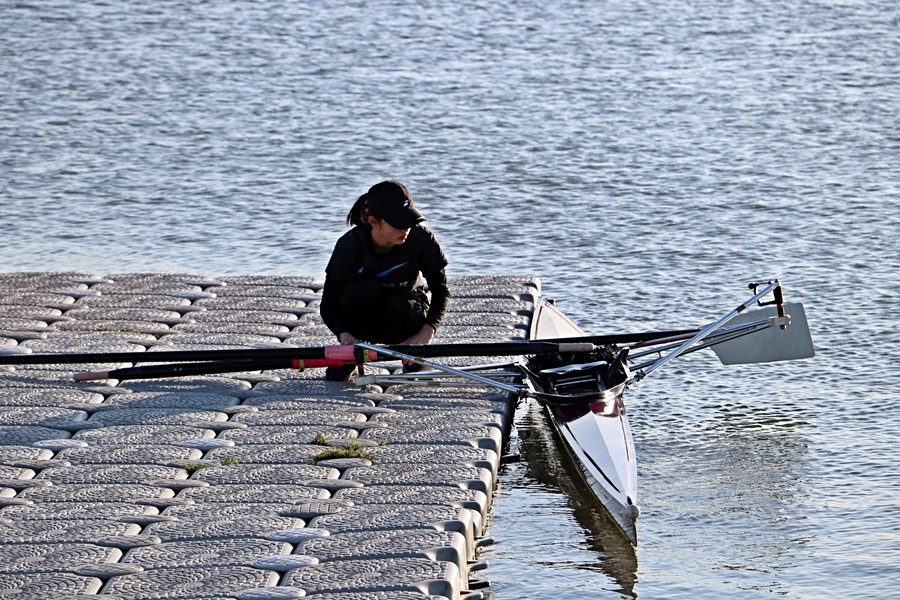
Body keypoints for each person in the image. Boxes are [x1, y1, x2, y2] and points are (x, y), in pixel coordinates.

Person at [320, 180, 450, 381]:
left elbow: (441, 291)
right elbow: (327, 305)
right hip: (361, 319)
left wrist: (426, 332)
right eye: (398, 222)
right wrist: (343, 335)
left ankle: (413, 359)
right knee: (361, 289)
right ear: (373, 221)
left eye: (409, 220)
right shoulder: (350, 245)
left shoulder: (422, 239)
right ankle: (351, 358)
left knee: (402, 302)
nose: (405, 228)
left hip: (403, 317)